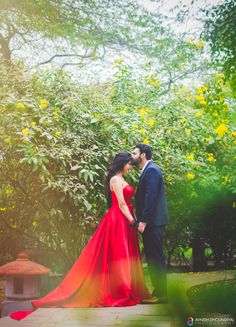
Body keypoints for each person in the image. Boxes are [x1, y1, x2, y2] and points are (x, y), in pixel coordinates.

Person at [10, 152, 150, 321]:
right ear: (122, 164)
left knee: (124, 255)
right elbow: (120, 203)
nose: (130, 167)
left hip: (124, 219)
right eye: (128, 164)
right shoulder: (115, 179)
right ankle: (121, 291)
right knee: (119, 254)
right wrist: (133, 221)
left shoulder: (121, 178)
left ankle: (127, 288)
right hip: (118, 220)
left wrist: (132, 220)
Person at [131, 144, 169, 304]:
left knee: (155, 257)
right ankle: (159, 292)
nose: (132, 156)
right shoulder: (148, 169)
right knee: (153, 256)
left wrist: (143, 221)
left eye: (134, 153)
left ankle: (162, 294)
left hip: (153, 222)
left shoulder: (151, 170)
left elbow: (150, 198)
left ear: (143, 155)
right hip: (152, 222)